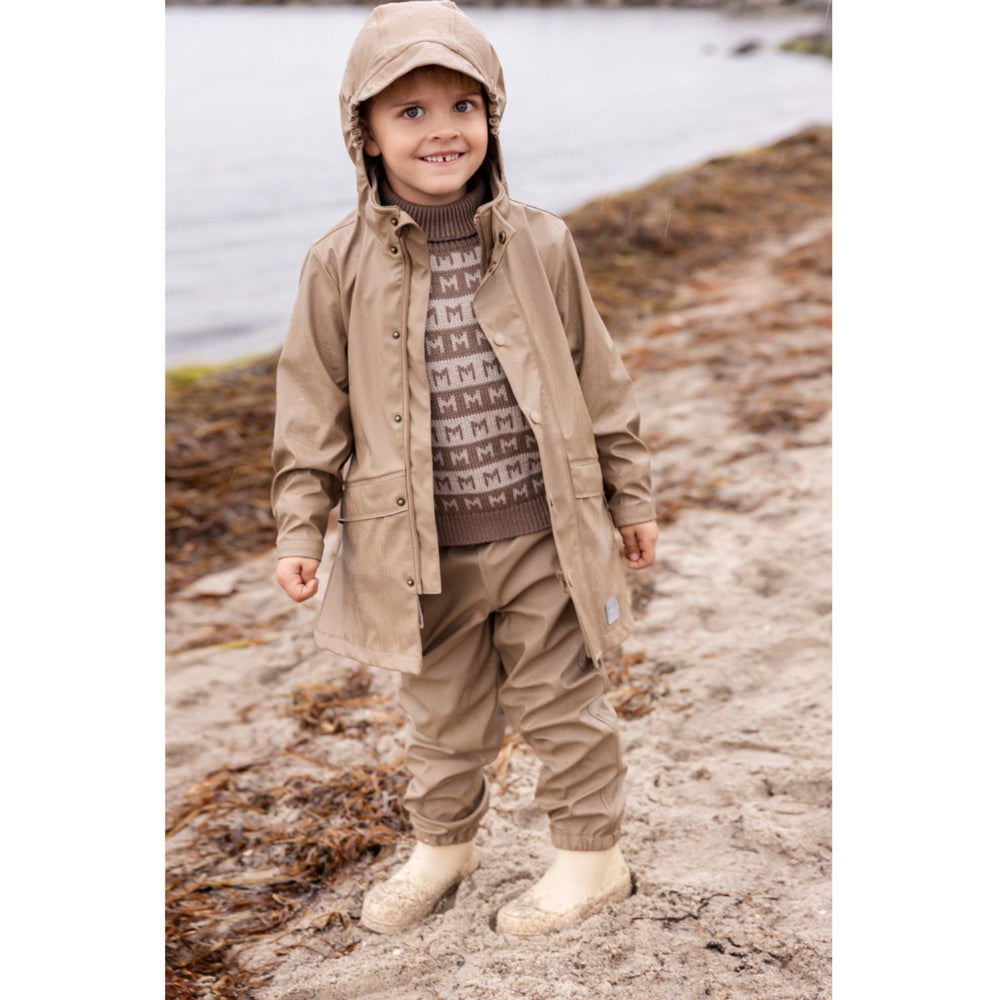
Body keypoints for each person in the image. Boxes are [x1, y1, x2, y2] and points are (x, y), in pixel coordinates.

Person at [272, 0, 658, 937]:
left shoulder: (541, 241)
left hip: (543, 529)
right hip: (415, 549)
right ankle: (443, 847)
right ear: (364, 132)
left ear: (492, 116)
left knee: (563, 700)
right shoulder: (336, 264)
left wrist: (630, 494)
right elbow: (312, 408)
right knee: (439, 717)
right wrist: (299, 526)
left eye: (463, 106)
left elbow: (596, 375)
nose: (442, 130)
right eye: (410, 111)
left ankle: (592, 860)